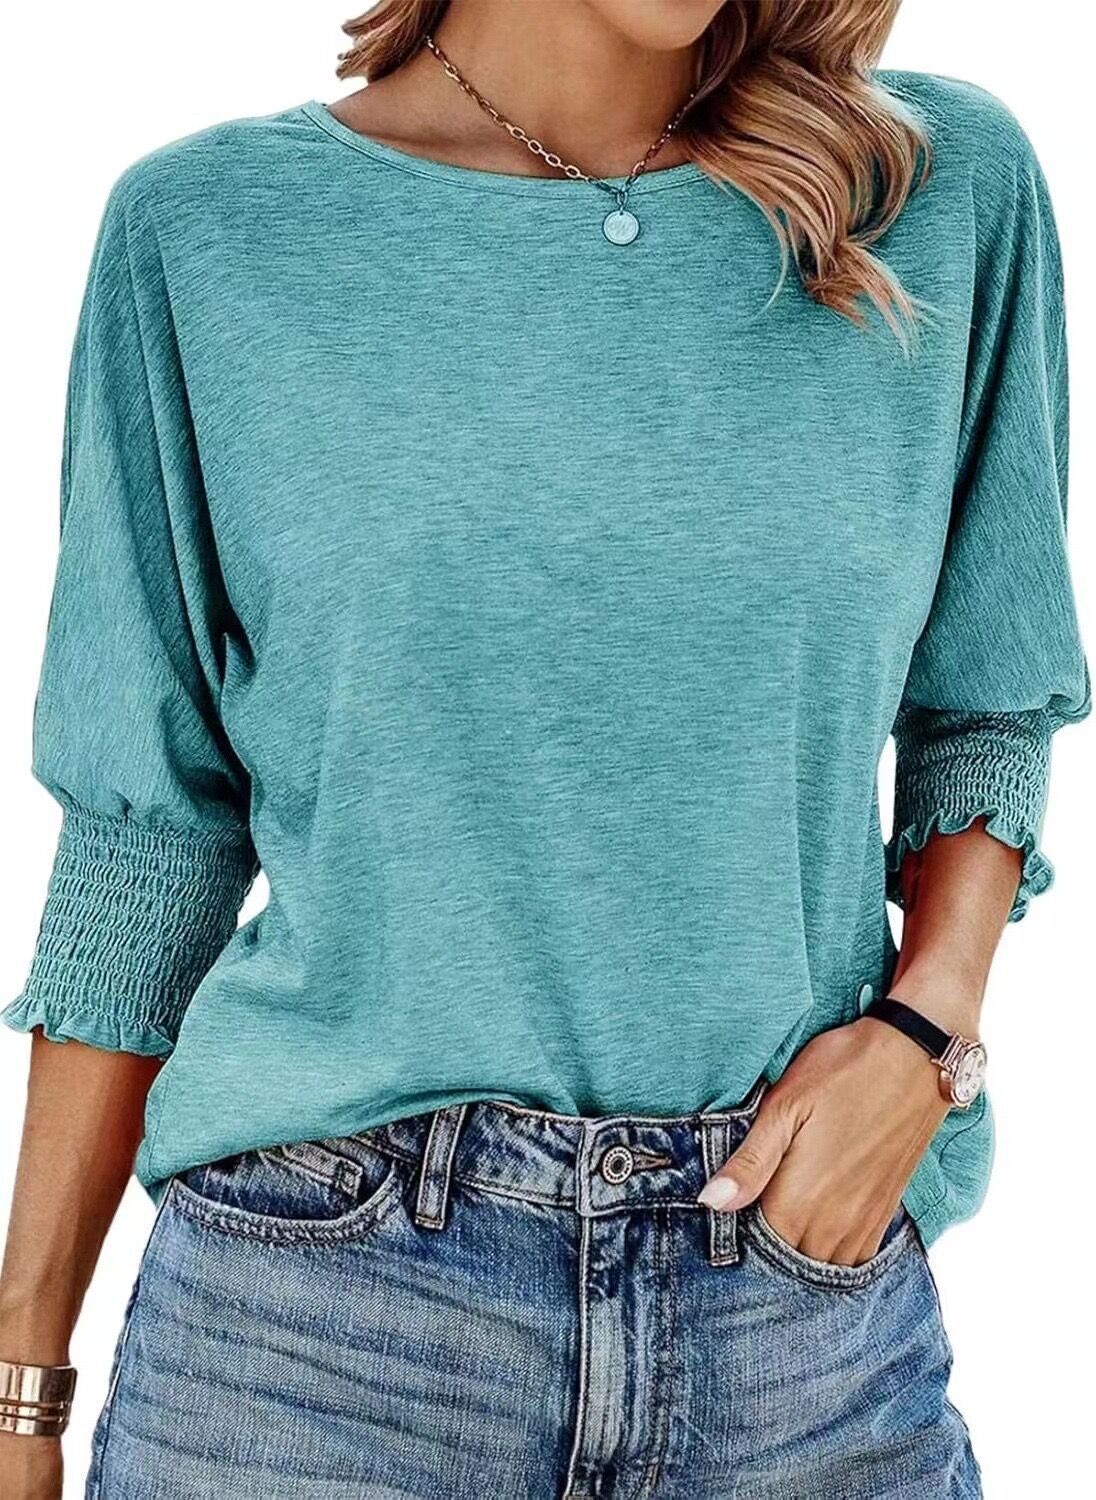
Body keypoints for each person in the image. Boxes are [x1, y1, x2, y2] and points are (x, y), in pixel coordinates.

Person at [0, 1, 1088, 1496]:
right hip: (317, 1333)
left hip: (797, 1314)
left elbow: (989, 693)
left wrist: (927, 1033)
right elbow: (148, 829)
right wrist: (22, 1384)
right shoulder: (210, 233)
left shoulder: (928, 186)